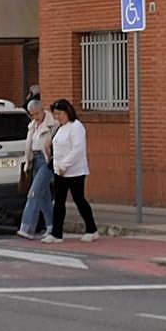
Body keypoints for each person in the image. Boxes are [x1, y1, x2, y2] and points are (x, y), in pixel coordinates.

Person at [42, 98, 98, 244]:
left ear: (67, 112)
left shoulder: (76, 127)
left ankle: (91, 229)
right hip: (59, 171)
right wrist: (56, 165)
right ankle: (56, 233)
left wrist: (64, 165)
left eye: (60, 114)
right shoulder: (60, 128)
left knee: (79, 199)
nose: (58, 117)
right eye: (55, 114)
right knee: (58, 202)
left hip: (75, 171)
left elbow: (77, 149)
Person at [16, 98, 58, 239]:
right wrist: (27, 161)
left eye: (37, 113)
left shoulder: (53, 125)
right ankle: (52, 226)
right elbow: (29, 145)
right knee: (44, 196)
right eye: (32, 114)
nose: (35, 117)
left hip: (47, 161)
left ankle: (27, 227)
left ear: (42, 110)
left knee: (34, 193)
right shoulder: (32, 126)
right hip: (35, 160)